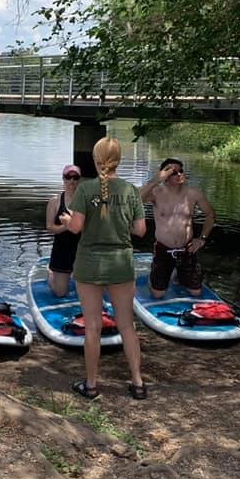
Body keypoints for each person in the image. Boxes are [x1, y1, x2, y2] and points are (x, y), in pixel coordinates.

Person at [62, 137, 147, 401]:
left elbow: (76, 227)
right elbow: (140, 230)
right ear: (118, 160)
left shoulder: (86, 190)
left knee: (92, 328)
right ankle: (138, 382)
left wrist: (66, 221)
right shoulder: (131, 191)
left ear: (96, 160)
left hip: (90, 265)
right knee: (127, 327)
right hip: (121, 265)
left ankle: (91, 384)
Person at [139, 157, 215, 298]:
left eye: (181, 171)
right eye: (173, 172)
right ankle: (153, 277)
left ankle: (179, 275)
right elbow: (133, 200)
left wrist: (202, 238)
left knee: (195, 292)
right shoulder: (156, 192)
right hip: (163, 248)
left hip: (187, 248)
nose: (179, 174)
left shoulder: (193, 193)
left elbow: (210, 215)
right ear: (165, 176)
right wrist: (156, 180)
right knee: (157, 294)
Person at [45, 164, 82, 297]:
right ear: (63, 179)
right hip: (62, 250)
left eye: (75, 177)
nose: (72, 181)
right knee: (60, 293)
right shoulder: (55, 201)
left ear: (79, 180)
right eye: (68, 177)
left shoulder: (86, 201)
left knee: (84, 292)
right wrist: (67, 226)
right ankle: (50, 275)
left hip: (81, 251)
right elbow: (50, 227)